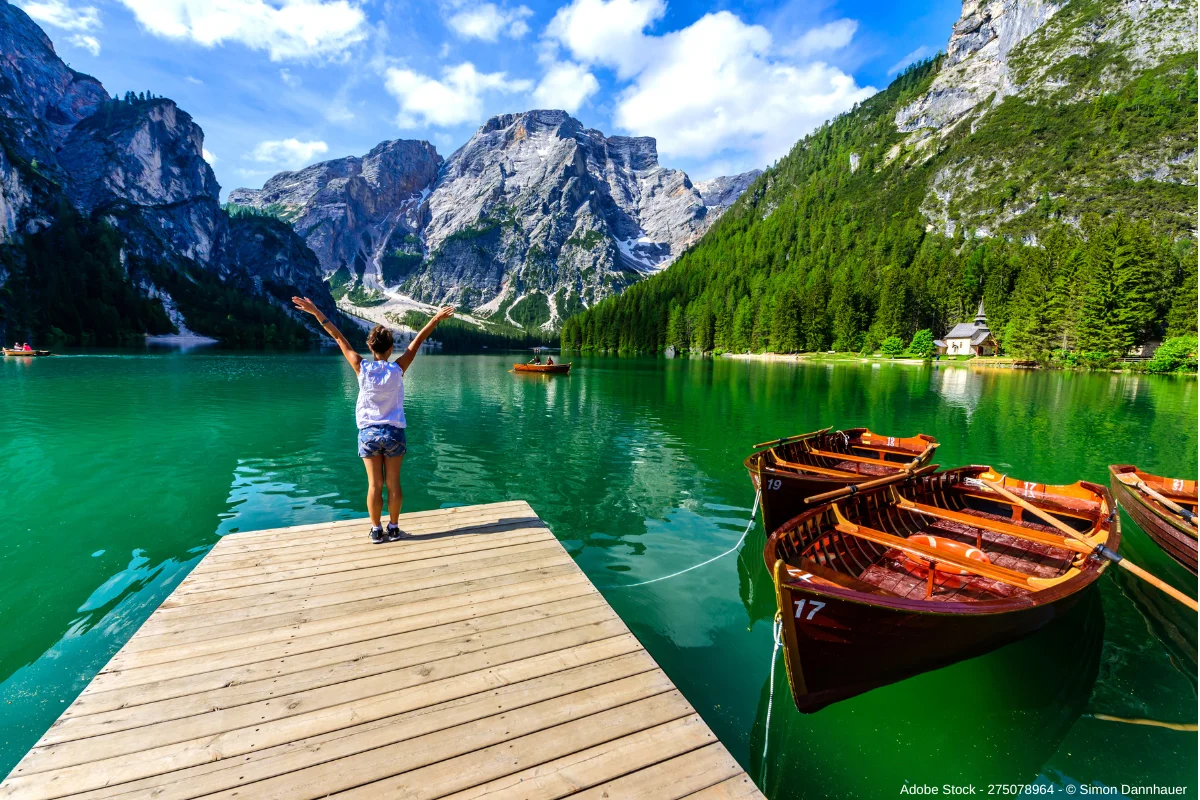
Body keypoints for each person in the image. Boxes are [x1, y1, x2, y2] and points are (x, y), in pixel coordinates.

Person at [292, 297, 455, 544]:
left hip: (368, 433)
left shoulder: (361, 367)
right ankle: (394, 528)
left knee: (374, 485)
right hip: (394, 434)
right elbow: (418, 341)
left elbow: (337, 337)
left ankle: (376, 530)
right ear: (390, 349)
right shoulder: (398, 368)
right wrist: (435, 318)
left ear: (371, 347)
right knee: (393, 484)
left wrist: (316, 311)